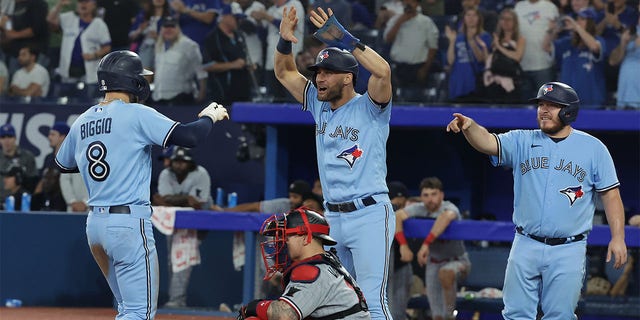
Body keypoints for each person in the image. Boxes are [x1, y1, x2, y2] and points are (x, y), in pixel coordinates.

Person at [54, 50, 229, 319]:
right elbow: (191, 136)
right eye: (139, 76)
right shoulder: (136, 113)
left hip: (95, 226)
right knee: (139, 313)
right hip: (127, 225)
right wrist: (209, 116)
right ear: (130, 81)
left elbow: (64, 164)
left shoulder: (83, 119)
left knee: (127, 309)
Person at [446, 81, 628, 320]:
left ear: (569, 111)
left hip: (569, 248)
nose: (543, 109)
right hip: (525, 243)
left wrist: (618, 237)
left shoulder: (593, 148)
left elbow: (611, 195)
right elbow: (489, 142)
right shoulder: (522, 140)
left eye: (552, 105)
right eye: (541, 104)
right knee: (515, 314)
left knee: (560, 315)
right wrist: (470, 127)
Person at [274, 7, 394, 319]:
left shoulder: (371, 107)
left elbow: (382, 72)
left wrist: (343, 37)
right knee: (339, 303)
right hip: (332, 218)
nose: (320, 78)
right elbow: (285, 72)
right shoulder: (319, 103)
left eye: (326, 73)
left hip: (369, 213)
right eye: (317, 73)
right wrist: (284, 41)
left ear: (347, 77)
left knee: (372, 300)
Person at [237, 207, 370, 320]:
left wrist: (255, 307)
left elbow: (285, 314)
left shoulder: (312, 270)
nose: (282, 243)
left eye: (287, 237)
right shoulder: (326, 263)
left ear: (306, 238)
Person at [394, 177, 470, 320]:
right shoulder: (420, 208)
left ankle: (450, 314)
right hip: (433, 262)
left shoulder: (449, 207)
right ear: (421, 196)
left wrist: (426, 244)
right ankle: (444, 316)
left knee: (445, 272)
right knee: (436, 316)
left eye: (434, 194)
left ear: (441, 195)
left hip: (458, 261)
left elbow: (446, 217)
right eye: (426, 195)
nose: (430, 199)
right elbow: (398, 216)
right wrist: (403, 245)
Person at [152, 146, 212, 308]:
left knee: (182, 256)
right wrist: (185, 199)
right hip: (174, 220)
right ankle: (176, 299)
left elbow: (197, 203)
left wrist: (170, 200)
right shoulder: (166, 174)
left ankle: (177, 299)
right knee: (173, 259)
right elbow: (163, 199)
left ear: (190, 162)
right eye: (176, 161)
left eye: (182, 162)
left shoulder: (201, 173)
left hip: (200, 221)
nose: (178, 165)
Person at [47, 0, 112, 100]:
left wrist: (94, 55)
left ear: (94, 5)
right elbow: (50, 20)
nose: (83, 4)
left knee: (87, 103)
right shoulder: (69, 18)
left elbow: (107, 47)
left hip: (89, 75)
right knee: (66, 104)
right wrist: (59, 5)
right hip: (68, 73)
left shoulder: (99, 24)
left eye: (86, 2)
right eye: (80, 2)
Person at [151, 16, 207, 106]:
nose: (169, 29)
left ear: (178, 29)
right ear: (161, 29)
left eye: (172, 26)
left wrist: (202, 93)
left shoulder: (189, 45)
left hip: (180, 98)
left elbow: (201, 71)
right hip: (158, 98)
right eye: (166, 27)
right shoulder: (158, 46)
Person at [386, 181, 412, 320]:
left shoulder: (411, 212)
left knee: (396, 314)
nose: (398, 207)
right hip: (380, 270)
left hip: (401, 268)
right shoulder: (379, 211)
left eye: (403, 203)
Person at [0, 123, 37, 197]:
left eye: (10, 136)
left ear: (15, 138)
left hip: (21, 202)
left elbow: (34, 182)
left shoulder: (27, 157)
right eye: (3, 137)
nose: (6, 140)